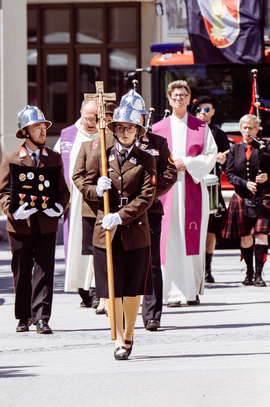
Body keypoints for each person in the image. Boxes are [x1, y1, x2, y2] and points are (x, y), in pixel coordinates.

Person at [80, 102, 157, 360]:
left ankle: (129, 334)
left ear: (138, 131)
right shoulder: (102, 155)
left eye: (130, 128)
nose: (125, 132)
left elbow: (147, 197)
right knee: (111, 288)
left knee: (132, 287)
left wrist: (120, 217)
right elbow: (83, 182)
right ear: (113, 130)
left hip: (134, 230)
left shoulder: (146, 160)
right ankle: (116, 336)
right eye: (120, 128)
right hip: (106, 231)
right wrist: (96, 189)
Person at [0, 105, 69, 334]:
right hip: (20, 224)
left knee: (44, 269)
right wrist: (11, 210)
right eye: (36, 126)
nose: (42, 131)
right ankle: (23, 317)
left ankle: (42, 317)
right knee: (21, 270)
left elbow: (63, 191)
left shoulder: (54, 158)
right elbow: (2, 193)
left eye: (43, 126)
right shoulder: (11, 158)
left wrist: (58, 207)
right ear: (25, 131)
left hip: (47, 224)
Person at [152, 80, 217, 307]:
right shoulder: (157, 128)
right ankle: (169, 294)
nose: (178, 98)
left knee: (191, 240)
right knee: (166, 240)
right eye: (175, 95)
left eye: (183, 95)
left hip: (191, 188)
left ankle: (190, 291)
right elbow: (150, 159)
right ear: (169, 99)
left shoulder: (200, 127)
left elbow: (210, 155)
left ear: (189, 99)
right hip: (165, 192)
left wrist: (186, 163)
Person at [120, 88, 178, 331]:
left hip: (149, 211)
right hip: (121, 212)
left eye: (139, 116)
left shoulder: (157, 142)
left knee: (152, 261)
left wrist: (149, 194)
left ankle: (152, 313)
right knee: (124, 262)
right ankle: (124, 312)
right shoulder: (112, 145)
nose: (135, 121)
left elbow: (170, 173)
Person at [223, 114, 270, 287]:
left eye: (251, 127)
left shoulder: (266, 147)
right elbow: (229, 174)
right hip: (242, 196)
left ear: (257, 129)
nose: (247, 130)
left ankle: (259, 274)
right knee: (245, 237)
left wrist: (269, 175)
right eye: (244, 127)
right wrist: (244, 183)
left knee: (261, 235)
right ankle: (249, 272)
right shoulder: (235, 149)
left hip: (264, 196)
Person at [71, 101, 117, 315]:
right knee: (97, 254)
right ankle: (102, 296)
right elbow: (77, 176)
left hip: (117, 207)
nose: (102, 123)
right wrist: (94, 190)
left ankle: (114, 295)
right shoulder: (87, 145)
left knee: (115, 252)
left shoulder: (120, 142)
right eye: (99, 119)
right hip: (92, 207)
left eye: (107, 120)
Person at [54, 99, 100, 308]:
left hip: (98, 198)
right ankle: (81, 288)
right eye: (87, 118)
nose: (91, 123)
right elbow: (56, 165)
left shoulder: (106, 135)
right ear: (80, 114)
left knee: (95, 241)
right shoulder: (67, 135)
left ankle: (96, 287)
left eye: (95, 118)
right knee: (76, 244)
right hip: (74, 200)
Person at [191, 96, 230, 283]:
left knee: (210, 231)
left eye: (207, 110)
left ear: (213, 112)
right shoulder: (189, 132)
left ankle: (207, 268)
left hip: (212, 186)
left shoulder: (219, 134)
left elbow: (229, 160)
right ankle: (192, 267)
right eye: (199, 110)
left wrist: (223, 159)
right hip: (191, 186)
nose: (202, 113)